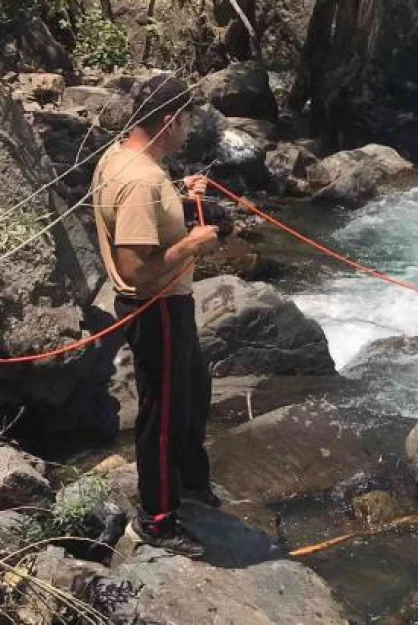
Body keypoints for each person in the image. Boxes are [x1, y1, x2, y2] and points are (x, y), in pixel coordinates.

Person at [91, 75, 220, 559]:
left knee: (192, 392)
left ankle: (188, 482)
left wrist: (181, 197)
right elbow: (135, 268)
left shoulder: (121, 156)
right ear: (168, 122)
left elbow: (140, 212)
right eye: (185, 120)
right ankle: (158, 520)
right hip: (157, 306)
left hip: (167, 304)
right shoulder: (142, 180)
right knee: (162, 415)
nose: (188, 128)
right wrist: (193, 242)